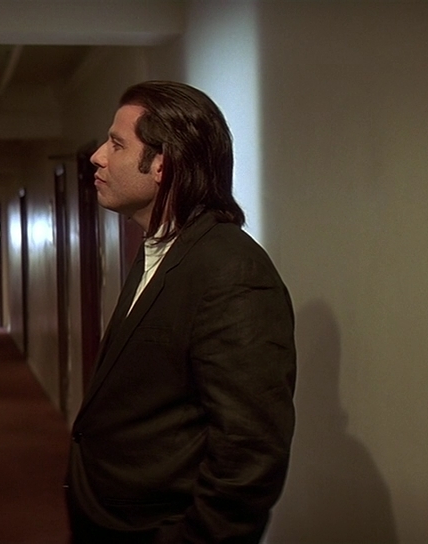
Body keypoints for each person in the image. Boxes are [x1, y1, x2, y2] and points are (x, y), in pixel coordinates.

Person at [66, 80, 296, 543]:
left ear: (162, 165)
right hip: (112, 519)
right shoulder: (160, 250)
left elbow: (250, 449)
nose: (97, 157)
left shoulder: (232, 270)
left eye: (116, 144)